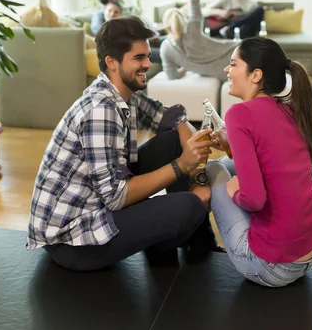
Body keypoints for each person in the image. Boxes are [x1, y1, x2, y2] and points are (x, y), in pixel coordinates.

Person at [27, 16, 220, 271]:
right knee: (191, 206)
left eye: (148, 56)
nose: (148, 64)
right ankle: (169, 234)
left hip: (97, 202)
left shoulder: (123, 94)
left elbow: (176, 121)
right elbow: (116, 197)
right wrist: (184, 166)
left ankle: (194, 238)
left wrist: (198, 177)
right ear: (112, 62)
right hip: (73, 241)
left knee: (173, 141)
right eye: (139, 58)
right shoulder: (101, 110)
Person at [206, 36, 312, 287]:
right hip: (310, 250)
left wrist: (234, 191)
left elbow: (254, 199)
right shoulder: (289, 109)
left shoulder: (238, 114)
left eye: (233, 64)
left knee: (214, 169)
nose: (227, 70)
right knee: (229, 164)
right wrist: (231, 147)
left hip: (273, 267)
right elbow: (271, 165)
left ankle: (199, 243)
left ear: (255, 74)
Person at [160, 0, 238, 82]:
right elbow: (194, 0)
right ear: (182, 19)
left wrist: (187, 67)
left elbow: (172, 76)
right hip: (236, 54)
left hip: (223, 73)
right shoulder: (192, 28)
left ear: (166, 27)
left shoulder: (165, 48)